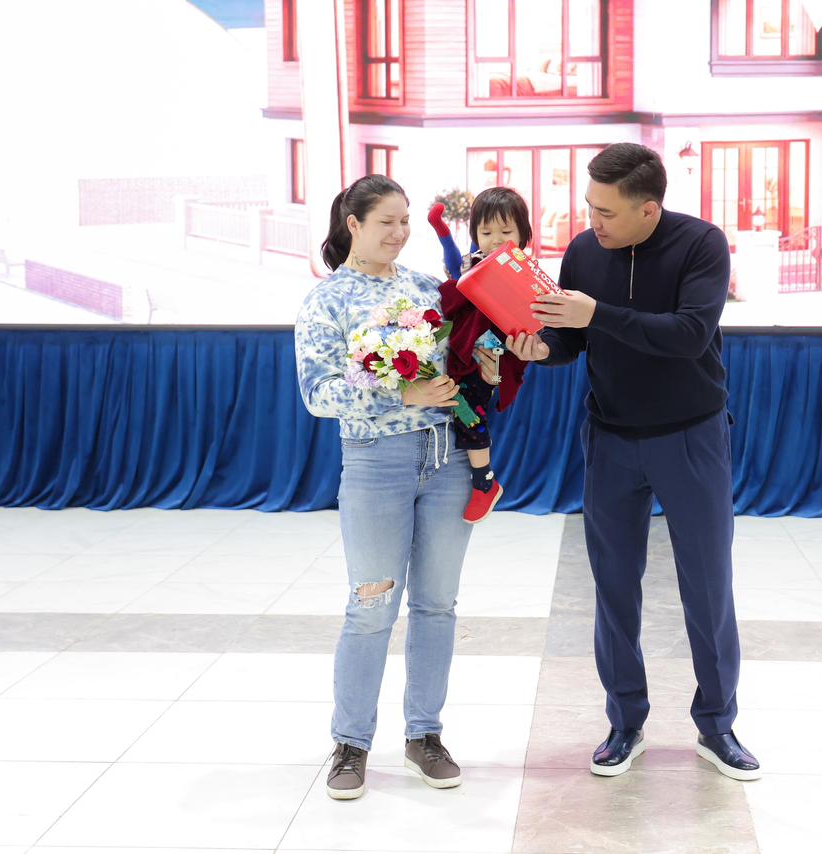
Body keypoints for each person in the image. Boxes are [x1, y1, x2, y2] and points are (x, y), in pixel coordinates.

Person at [506, 143, 761, 781]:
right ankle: (625, 721)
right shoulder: (583, 251)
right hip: (611, 438)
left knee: (708, 584)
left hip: (691, 436)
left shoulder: (701, 245)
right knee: (614, 585)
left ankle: (718, 725)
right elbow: (571, 339)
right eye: (589, 207)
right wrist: (541, 350)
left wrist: (597, 313)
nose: (593, 221)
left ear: (649, 209)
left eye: (607, 212)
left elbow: (689, 335)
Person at [295, 174, 499, 800]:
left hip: (446, 460)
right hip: (374, 465)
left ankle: (424, 735)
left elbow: (461, 368)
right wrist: (398, 392)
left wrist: (488, 364)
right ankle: (350, 743)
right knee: (371, 605)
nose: (400, 232)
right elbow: (317, 394)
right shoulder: (327, 301)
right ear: (353, 224)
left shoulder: (427, 290)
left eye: (405, 220)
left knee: (437, 605)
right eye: (386, 221)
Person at [428, 187, 533, 523]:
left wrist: (496, 362)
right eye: (486, 233)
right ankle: (482, 480)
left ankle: (484, 481)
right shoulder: (472, 263)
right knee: (461, 408)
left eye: (506, 232)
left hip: (490, 352)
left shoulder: (525, 274)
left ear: (523, 235)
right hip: (461, 349)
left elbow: (524, 332)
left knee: (470, 413)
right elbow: (454, 281)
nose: (495, 240)